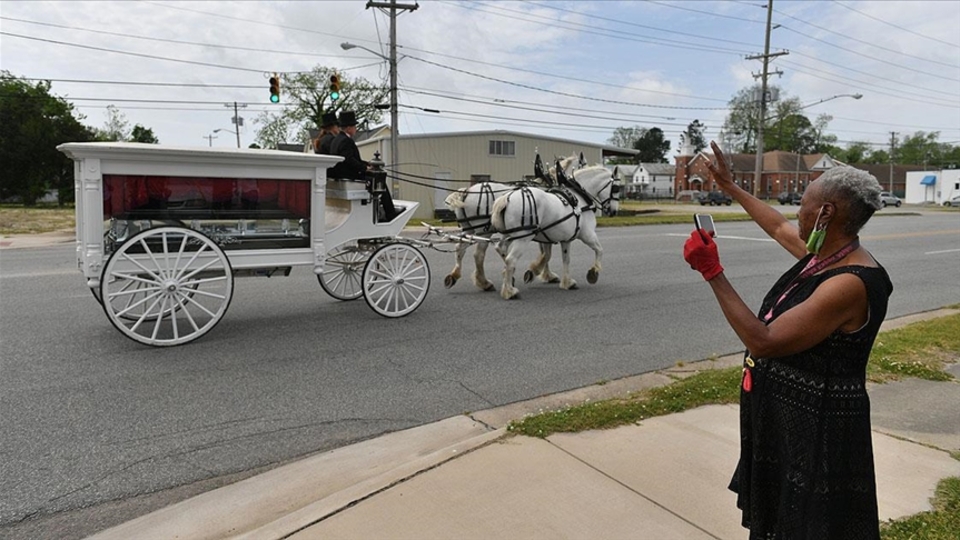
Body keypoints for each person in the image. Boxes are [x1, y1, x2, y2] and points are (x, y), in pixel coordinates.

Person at [683, 141, 892, 539]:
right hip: (789, 420)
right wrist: (730, 187)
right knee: (780, 520)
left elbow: (764, 341)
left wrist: (712, 271)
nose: (797, 213)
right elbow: (778, 226)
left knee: (809, 525)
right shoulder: (826, 257)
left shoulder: (850, 283)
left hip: (818, 430)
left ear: (825, 213)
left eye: (804, 205)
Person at [329, 110, 397, 220]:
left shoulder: (336, 140)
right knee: (380, 182)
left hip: (341, 173)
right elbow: (349, 160)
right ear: (349, 128)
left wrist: (367, 164)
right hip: (349, 174)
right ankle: (390, 213)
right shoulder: (346, 141)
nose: (356, 129)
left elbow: (352, 159)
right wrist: (365, 168)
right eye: (354, 126)